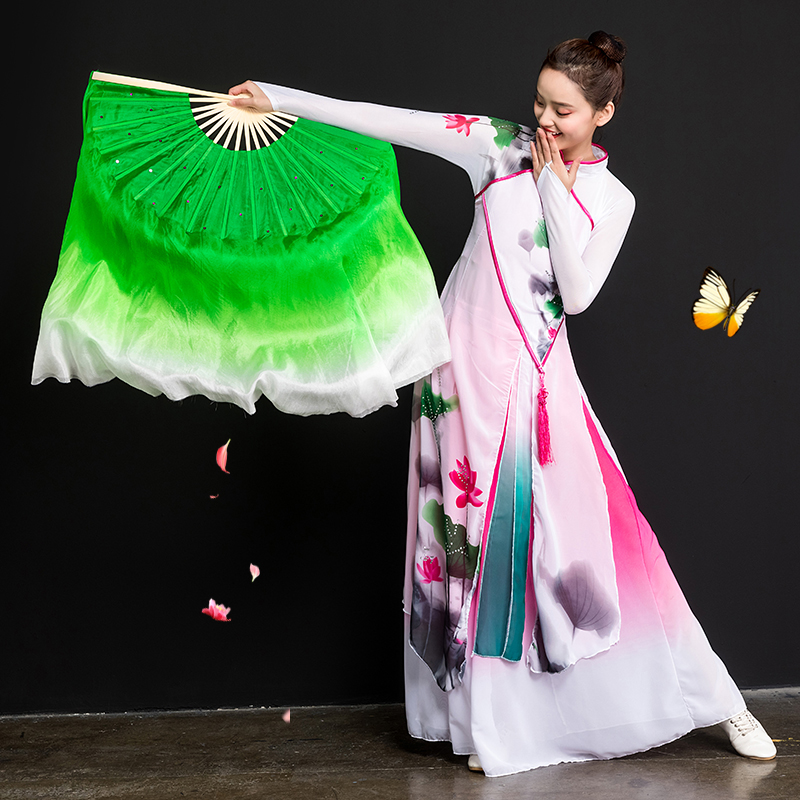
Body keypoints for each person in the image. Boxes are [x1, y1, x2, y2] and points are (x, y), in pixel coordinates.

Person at [229, 31, 776, 777]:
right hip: (456, 376)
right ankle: (477, 723)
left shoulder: (613, 198)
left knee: (589, 542)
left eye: (563, 110)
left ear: (604, 114)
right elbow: (389, 120)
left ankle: (713, 698)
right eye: (540, 103)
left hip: (537, 384)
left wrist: (552, 185)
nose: (544, 121)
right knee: (463, 544)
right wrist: (279, 99)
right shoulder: (496, 146)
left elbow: (575, 295)